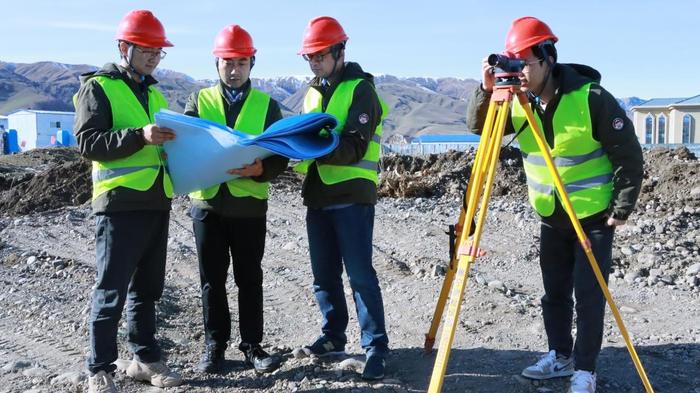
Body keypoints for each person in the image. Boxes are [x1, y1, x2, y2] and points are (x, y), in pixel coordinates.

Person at [466, 16, 644, 393]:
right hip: (550, 215)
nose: (519, 73)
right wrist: (486, 91)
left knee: (589, 295)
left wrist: (622, 206)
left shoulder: (591, 98)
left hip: (593, 217)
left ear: (548, 58)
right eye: (512, 64)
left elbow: (628, 154)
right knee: (555, 294)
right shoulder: (516, 101)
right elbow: (479, 128)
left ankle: (585, 370)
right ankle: (559, 355)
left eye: (525, 64)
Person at [73, 9, 183, 393]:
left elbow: (159, 145)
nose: (154, 56)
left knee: (148, 290)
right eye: (147, 49)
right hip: (119, 203)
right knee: (112, 287)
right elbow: (87, 143)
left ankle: (144, 358)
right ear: (125, 47)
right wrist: (140, 135)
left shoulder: (153, 91)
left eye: (159, 50)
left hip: (156, 200)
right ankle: (99, 368)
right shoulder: (98, 87)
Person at [183, 24, 287, 374]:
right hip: (207, 207)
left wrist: (261, 169)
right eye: (227, 61)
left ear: (251, 64)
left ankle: (252, 345)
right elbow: (183, 143)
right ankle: (215, 346)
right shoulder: (197, 101)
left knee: (249, 278)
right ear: (216, 64)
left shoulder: (268, 106)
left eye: (241, 62)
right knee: (211, 280)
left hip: (249, 208)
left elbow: (281, 155)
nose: (234, 68)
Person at [294, 16, 389, 380]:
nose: (315, 62)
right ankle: (333, 335)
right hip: (317, 195)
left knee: (361, 275)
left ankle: (376, 346)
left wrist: (313, 146)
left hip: (352, 194)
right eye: (310, 57)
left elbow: (353, 145)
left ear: (339, 52)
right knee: (323, 276)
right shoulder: (313, 92)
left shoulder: (361, 89)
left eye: (320, 55)